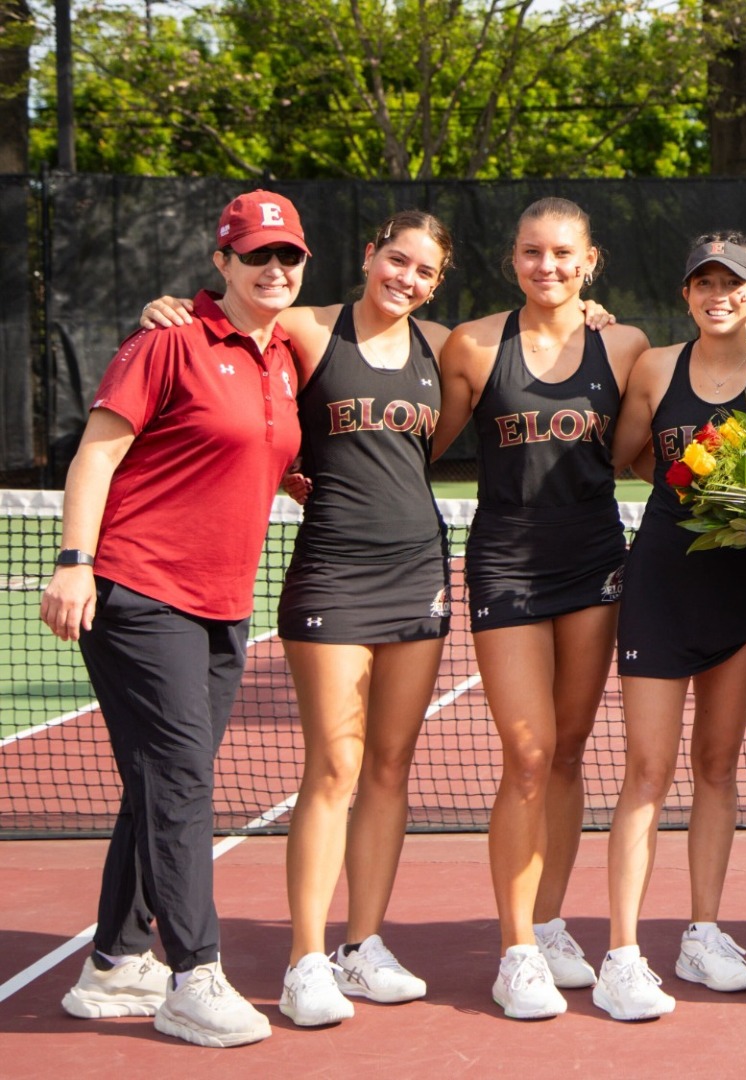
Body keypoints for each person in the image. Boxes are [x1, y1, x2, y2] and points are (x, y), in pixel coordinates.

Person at [136, 211, 467, 1029]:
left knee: (391, 769)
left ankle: (364, 947)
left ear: (437, 282)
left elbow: (519, 356)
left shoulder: (448, 347)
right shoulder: (310, 331)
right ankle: (305, 963)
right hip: (333, 575)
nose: (407, 279)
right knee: (334, 768)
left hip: (420, 571)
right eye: (397, 260)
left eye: (424, 271)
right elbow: (233, 321)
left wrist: (597, 317)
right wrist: (170, 306)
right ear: (369, 255)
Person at [45, 190, 307, 1048]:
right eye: (257, 255)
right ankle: (195, 971)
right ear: (220, 263)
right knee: (184, 784)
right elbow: (97, 454)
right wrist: (74, 563)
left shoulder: (283, 360)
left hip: (225, 603)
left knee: (159, 781)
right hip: (139, 590)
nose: (274, 269)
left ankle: (116, 962)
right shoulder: (166, 341)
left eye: (289, 256)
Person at [434, 197, 651, 1020]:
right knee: (525, 756)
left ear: (590, 260)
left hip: (595, 564)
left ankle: (553, 922)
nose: (548, 266)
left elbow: (649, 435)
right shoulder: (474, 345)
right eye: (532, 252)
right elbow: (422, 439)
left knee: (567, 754)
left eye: (564, 253)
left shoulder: (623, 345)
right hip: (506, 566)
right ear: (512, 260)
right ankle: (515, 949)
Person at [597, 234, 746, 1020]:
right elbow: (628, 455)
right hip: (660, 586)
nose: (719, 294)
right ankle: (620, 953)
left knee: (717, 766)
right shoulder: (653, 368)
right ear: (687, 294)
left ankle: (702, 933)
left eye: (733, 284)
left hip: (743, 592)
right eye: (703, 282)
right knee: (647, 771)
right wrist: (693, 489)